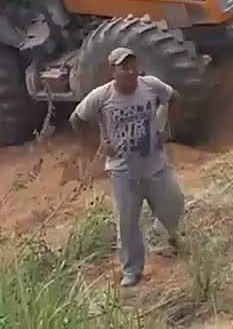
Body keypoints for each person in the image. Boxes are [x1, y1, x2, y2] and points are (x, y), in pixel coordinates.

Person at [70, 47, 185, 288]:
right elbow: (77, 119)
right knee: (127, 224)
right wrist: (97, 145)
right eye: (123, 66)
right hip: (123, 173)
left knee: (174, 204)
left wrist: (165, 128)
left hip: (156, 165)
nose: (130, 70)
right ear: (113, 71)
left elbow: (173, 98)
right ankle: (132, 270)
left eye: (132, 65)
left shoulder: (151, 85)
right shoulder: (101, 97)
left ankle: (164, 234)